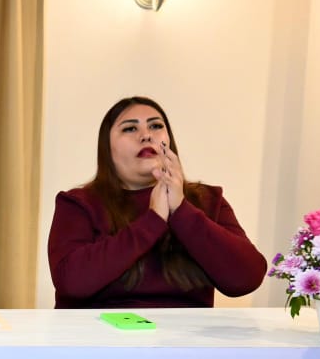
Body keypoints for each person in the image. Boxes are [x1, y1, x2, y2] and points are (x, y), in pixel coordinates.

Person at [47, 96, 266, 308]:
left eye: (155, 126)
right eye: (130, 128)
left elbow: (247, 278)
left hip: (186, 332)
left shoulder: (208, 200)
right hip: (100, 330)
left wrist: (181, 210)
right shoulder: (79, 204)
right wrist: (152, 221)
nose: (146, 136)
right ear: (107, 148)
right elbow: (71, 282)